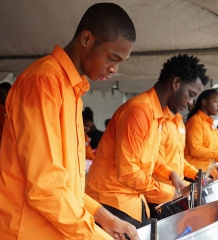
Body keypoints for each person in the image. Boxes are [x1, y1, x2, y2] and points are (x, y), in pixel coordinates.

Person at [0, 3, 139, 240]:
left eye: (120, 63)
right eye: (112, 57)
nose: (114, 69)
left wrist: (104, 217)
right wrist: (95, 236)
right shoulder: (43, 83)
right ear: (86, 39)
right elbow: (46, 186)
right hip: (22, 233)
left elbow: (65, 184)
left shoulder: (71, 90)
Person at [86, 54, 209, 228]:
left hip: (131, 200)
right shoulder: (138, 111)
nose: (190, 103)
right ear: (175, 83)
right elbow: (128, 172)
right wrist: (170, 192)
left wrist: (171, 174)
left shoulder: (157, 114)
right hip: (111, 200)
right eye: (190, 94)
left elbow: (149, 157)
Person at [147, 112, 199, 218]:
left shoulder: (180, 124)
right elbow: (154, 160)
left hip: (178, 189)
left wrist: (196, 174)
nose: (189, 102)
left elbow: (179, 159)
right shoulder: (160, 123)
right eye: (189, 95)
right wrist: (171, 174)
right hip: (160, 192)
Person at [185, 89, 218, 178]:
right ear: (204, 102)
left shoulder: (211, 123)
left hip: (209, 171)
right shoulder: (195, 121)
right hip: (195, 173)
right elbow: (195, 150)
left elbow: (217, 147)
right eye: (215, 101)